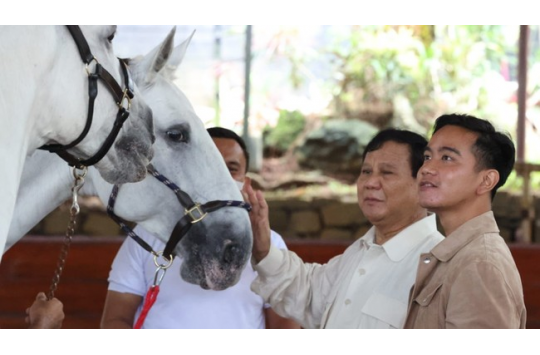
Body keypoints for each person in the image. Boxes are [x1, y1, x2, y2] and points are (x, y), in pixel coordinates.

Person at [101, 127, 299, 329]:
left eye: (231, 168)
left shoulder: (269, 245)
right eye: (209, 164)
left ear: (245, 183)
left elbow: (287, 326)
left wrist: (264, 255)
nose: (220, 176)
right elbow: (116, 321)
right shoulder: (147, 237)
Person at [245, 129, 445, 329]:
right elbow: (308, 293)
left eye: (387, 172)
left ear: (423, 184)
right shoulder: (359, 252)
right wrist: (263, 248)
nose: (370, 183)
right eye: (366, 171)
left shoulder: (438, 266)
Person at [404, 114, 526, 329]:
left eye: (447, 158)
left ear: (486, 180)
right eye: (427, 157)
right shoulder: (458, 254)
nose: (426, 169)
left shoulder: (480, 264)